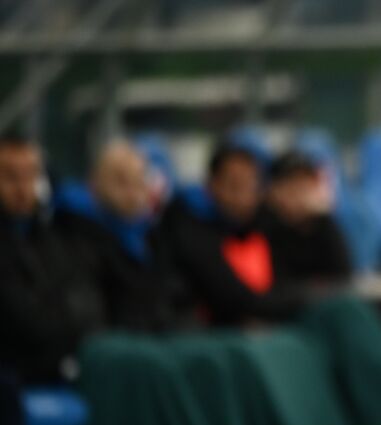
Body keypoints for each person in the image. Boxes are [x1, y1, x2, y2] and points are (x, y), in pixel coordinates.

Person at [0, 136, 103, 425]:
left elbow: (84, 302)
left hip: (56, 359)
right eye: (9, 176)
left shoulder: (56, 236)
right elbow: (20, 316)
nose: (22, 187)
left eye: (30, 175)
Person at [160, 143, 304, 327]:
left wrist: (318, 221)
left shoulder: (266, 224)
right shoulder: (190, 230)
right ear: (212, 185)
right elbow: (236, 300)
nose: (243, 196)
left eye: (251, 186)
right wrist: (304, 301)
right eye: (234, 185)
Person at [55, 140, 186, 333]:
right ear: (95, 183)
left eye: (139, 181)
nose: (132, 193)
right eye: (121, 182)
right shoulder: (76, 233)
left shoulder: (152, 234)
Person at [263, 150, 352, 287]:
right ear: (274, 190)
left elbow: (344, 274)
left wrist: (322, 218)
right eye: (292, 183)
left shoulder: (322, 223)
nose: (299, 191)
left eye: (305, 183)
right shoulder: (265, 227)